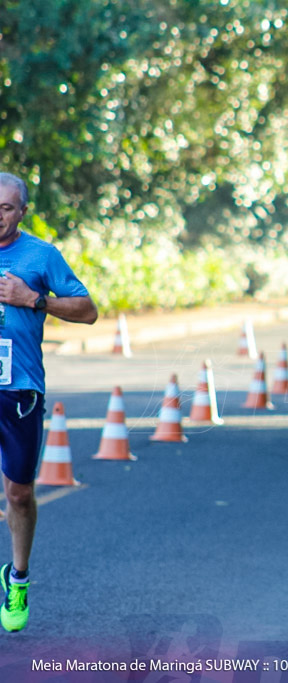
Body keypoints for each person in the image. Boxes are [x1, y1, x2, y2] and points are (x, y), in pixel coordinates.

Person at [0, 172, 98, 632]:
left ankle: (17, 577)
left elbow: (88, 310)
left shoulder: (41, 255)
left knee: (19, 495)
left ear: (22, 211)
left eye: (5, 208)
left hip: (19, 390)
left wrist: (33, 299)